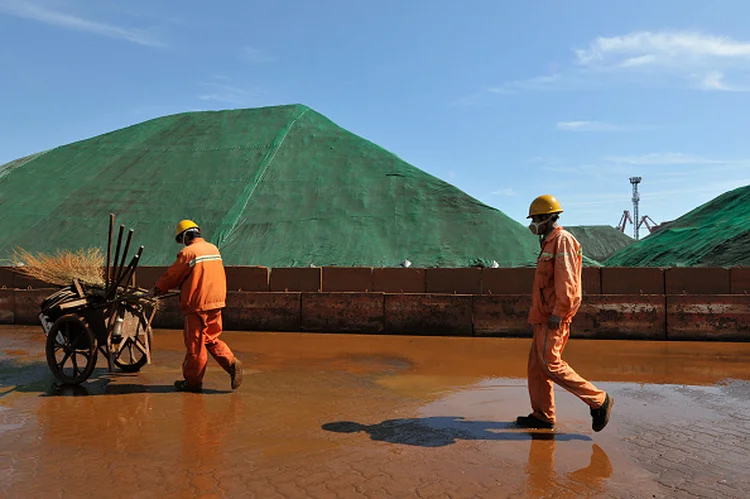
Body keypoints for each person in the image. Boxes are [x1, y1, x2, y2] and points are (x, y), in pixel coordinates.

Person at [516, 195, 613, 432]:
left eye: (537, 218)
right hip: (542, 316)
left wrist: (559, 313)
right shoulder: (548, 242)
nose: (534, 223)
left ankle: (599, 400)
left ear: (550, 218)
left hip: (553, 317)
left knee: (551, 365)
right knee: (537, 368)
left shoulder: (563, 241)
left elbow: (568, 282)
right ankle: (542, 415)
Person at [150, 220, 243, 393]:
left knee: (196, 345)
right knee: (210, 338)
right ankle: (231, 363)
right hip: (216, 302)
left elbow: (172, 276)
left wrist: (158, 289)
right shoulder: (213, 249)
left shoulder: (188, 253)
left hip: (197, 304)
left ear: (185, 236)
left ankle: (192, 383)